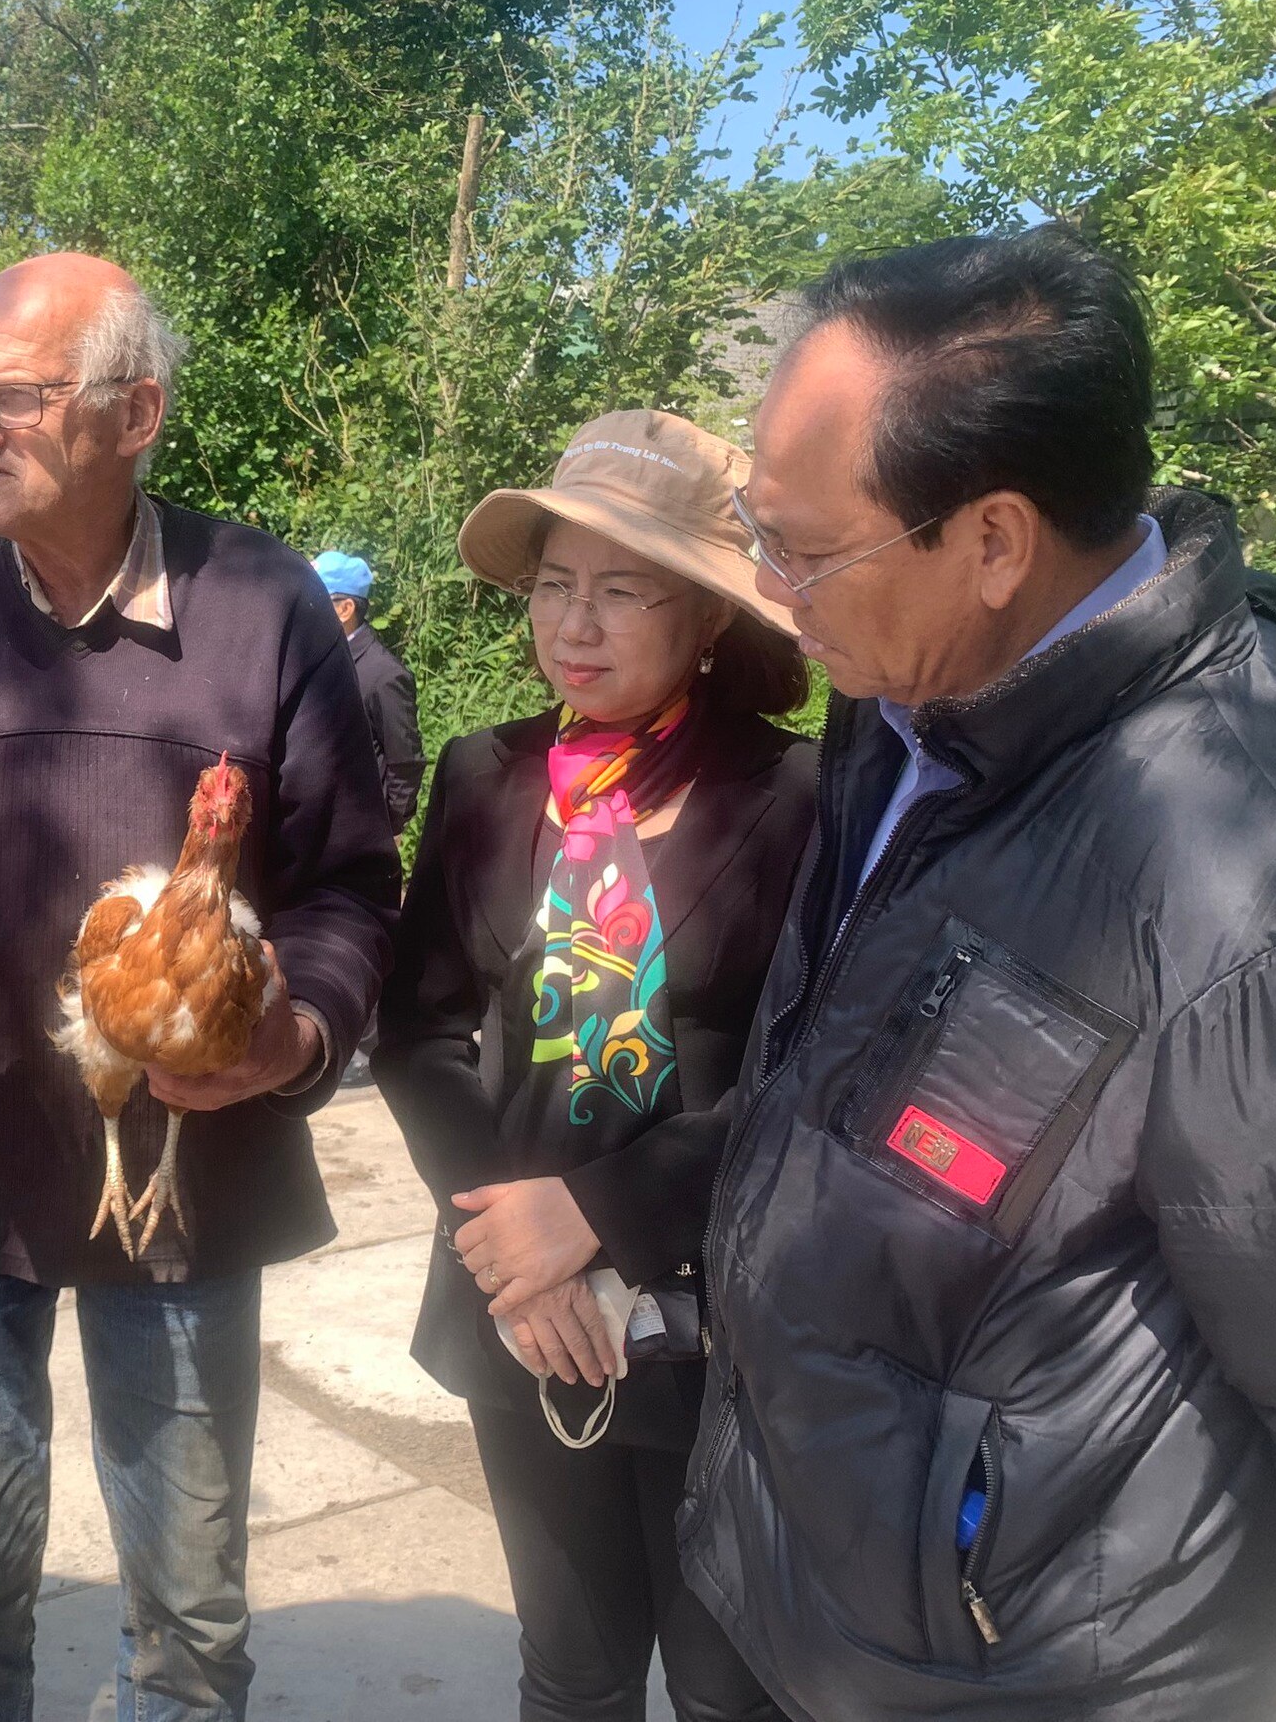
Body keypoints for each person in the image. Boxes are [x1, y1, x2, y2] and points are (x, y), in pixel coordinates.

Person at [645, 228, 1276, 1719]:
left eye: (804, 549)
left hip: (1027, 1668)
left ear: (996, 540)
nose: (773, 591)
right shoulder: (909, 690)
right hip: (781, 1586)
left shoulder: (1257, 867)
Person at [0, 253, 400, 1721]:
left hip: (189, 1184)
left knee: (189, 1614)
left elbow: (353, 892)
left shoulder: (262, 604)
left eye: (19, 396)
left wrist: (292, 1037)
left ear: (137, 414)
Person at [374, 411, 810, 1722]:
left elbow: (810, 1074)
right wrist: (518, 1246)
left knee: (733, 1687)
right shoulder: (485, 778)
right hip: (522, 1308)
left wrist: (603, 1221)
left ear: (707, 619)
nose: (577, 623)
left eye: (622, 592)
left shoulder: (795, 797)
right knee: (572, 1676)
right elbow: (418, 1029)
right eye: (556, 586)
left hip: (714, 1318)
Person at [312, 551, 424, 832]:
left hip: (363, 831)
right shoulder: (323, 658)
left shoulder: (384, 675)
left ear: (345, 609)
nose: (306, 609)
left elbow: (405, 761)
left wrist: (389, 827)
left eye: (314, 600)